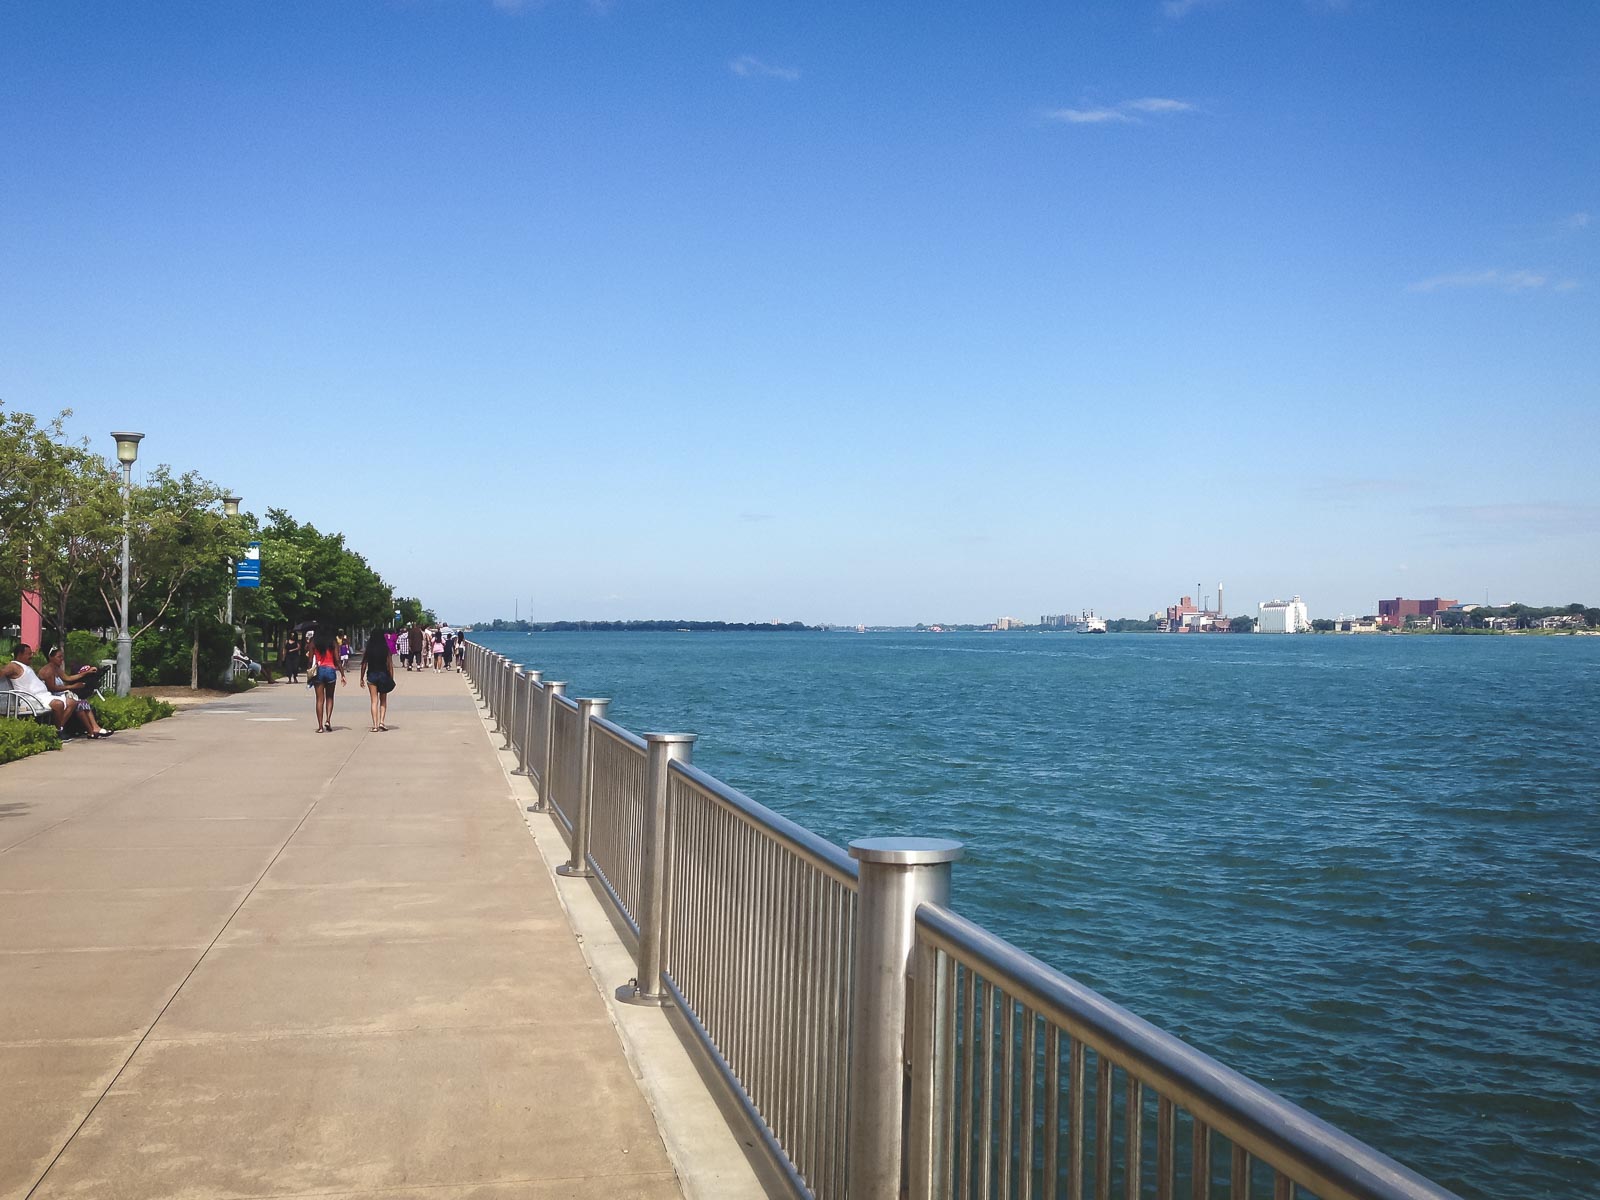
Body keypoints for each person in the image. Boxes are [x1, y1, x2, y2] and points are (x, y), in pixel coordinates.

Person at [2, 644, 97, 737]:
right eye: (29, 654)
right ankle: (57, 732)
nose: (32, 656)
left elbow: (68, 678)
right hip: (31, 699)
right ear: (19, 654)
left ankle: (57, 730)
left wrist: (86, 673)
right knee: (58, 704)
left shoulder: (27, 666)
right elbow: (2, 672)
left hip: (43, 696)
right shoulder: (13, 666)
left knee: (72, 702)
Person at [37, 647, 114, 738]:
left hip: (60, 694)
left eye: (62, 657)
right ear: (51, 657)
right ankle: (90, 730)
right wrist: (72, 687)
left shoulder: (56, 668)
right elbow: (52, 688)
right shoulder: (48, 670)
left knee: (82, 702)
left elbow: (68, 678)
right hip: (52, 696)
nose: (61, 659)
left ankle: (94, 728)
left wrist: (86, 673)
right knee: (79, 704)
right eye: (59, 657)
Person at [308, 624, 346, 732]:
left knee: (319, 699)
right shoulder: (332, 641)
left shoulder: (313, 641)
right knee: (330, 697)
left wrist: (309, 673)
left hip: (319, 670)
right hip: (330, 670)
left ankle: (320, 726)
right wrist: (342, 674)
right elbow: (337, 659)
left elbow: (310, 660)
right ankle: (328, 720)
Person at [359, 630, 395, 732]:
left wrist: (361, 677)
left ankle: (375, 725)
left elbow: (364, 664)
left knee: (374, 701)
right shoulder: (385, 649)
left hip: (372, 675)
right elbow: (390, 664)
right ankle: (382, 722)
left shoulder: (369, 649)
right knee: (383, 701)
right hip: (384, 675)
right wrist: (391, 678)